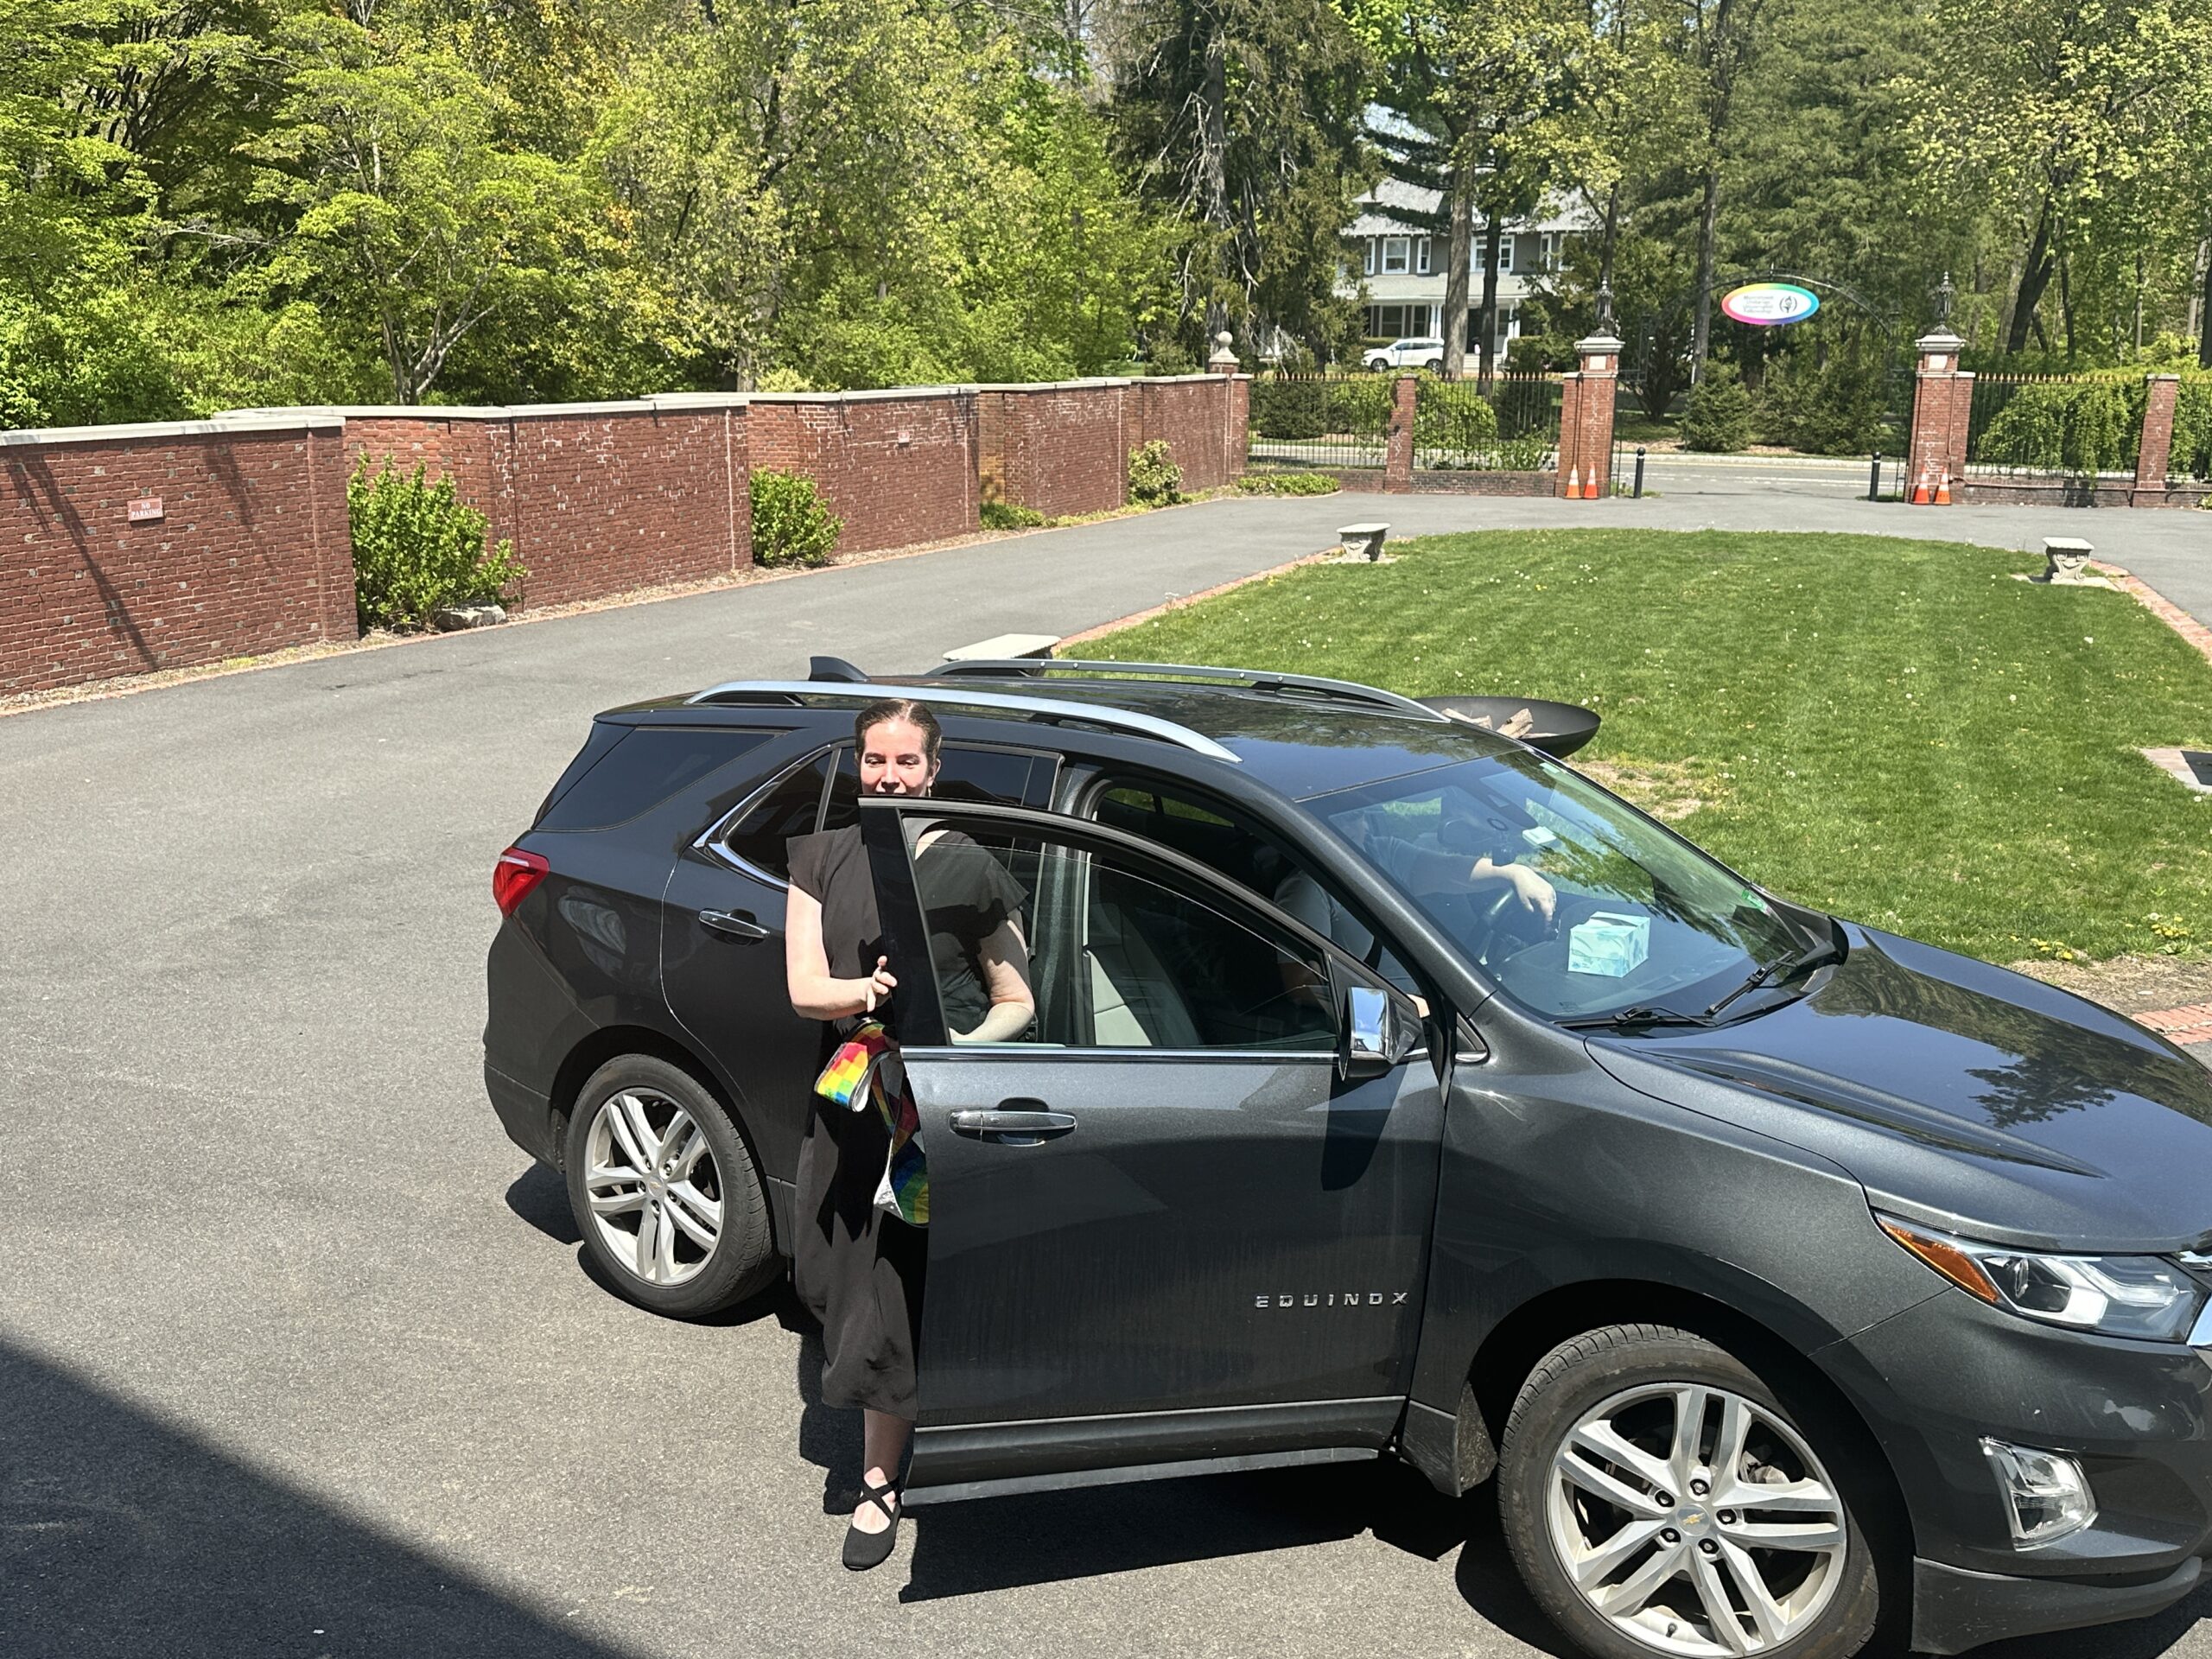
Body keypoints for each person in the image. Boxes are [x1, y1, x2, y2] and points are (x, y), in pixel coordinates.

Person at [783, 698, 1033, 1570]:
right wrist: (868, 996)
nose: (889, 776)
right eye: (874, 761)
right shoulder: (821, 857)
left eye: (907, 763)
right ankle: (895, 1448)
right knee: (845, 1282)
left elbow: (1019, 1001)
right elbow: (806, 989)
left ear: (933, 769)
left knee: (901, 1292)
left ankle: (880, 1481)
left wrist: (958, 1049)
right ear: (857, 765)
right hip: (857, 1109)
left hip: (946, 1119)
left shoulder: (967, 868)